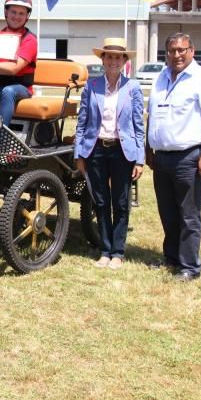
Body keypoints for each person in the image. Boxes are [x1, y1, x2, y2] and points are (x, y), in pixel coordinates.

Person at [145, 32, 201, 282]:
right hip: (162, 158)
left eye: (182, 50)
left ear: (192, 50)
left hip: (189, 157)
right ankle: (171, 258)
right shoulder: (161, 77)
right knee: (167, 212)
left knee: (189, 215)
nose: (177, 55)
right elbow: (152, 115)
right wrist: (148, 149)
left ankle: (190, 266)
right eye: (172, 50)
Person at [74, 38, 144, 269]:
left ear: (124, 61)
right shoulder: (91, 87)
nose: (113, 61)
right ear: (102, 59)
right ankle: (105, 250)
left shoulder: (132, 87)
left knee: (121, 202)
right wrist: (79, 154)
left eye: (118, 57)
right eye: (109, 56)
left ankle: (118, 252)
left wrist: (140, 159)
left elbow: (137, 125)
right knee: (101, 201)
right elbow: (82, 123)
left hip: (123, 151)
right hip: (96, 150)